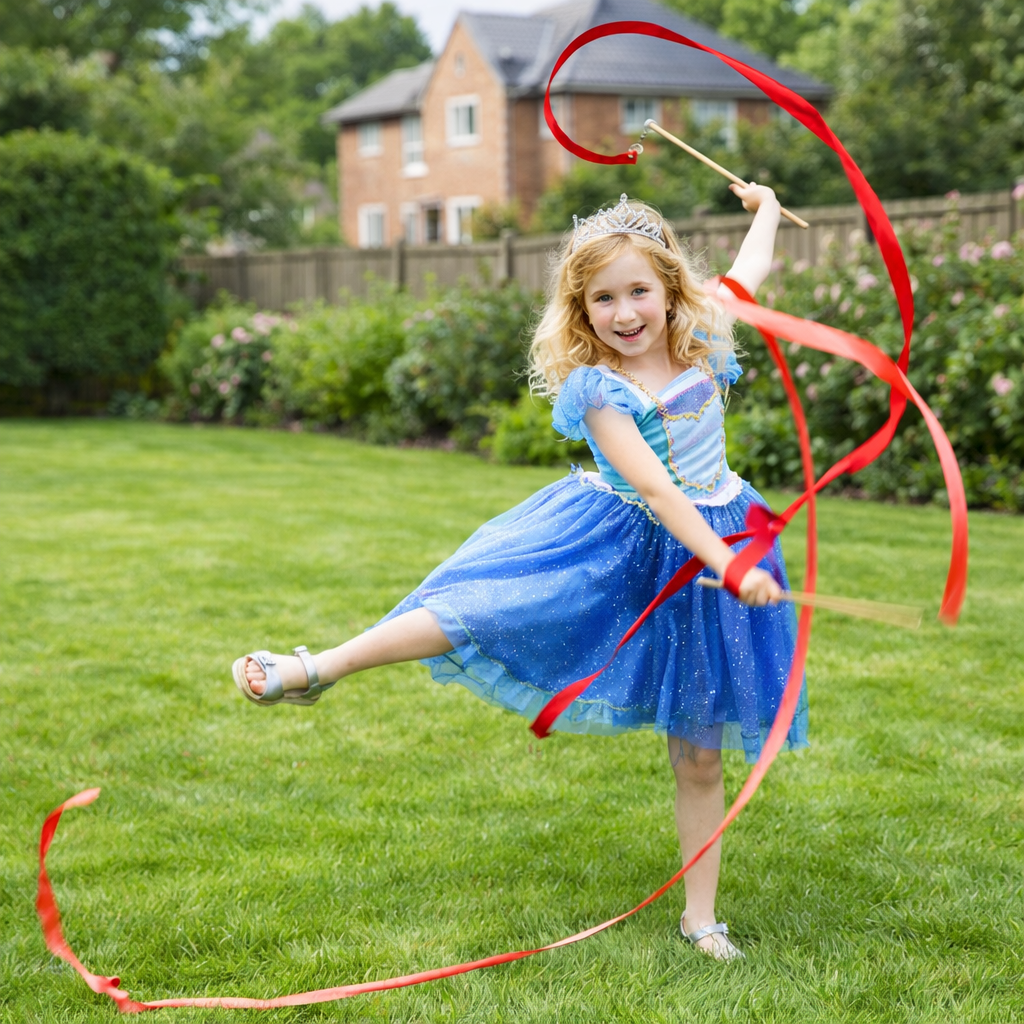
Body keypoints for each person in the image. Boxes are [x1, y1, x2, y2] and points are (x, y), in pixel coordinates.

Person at [232, 183, 808, 961]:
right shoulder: (600, 390)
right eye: (603, 298)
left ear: (673, 292)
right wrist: (729, 563)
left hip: (723, 537)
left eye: (640, 290)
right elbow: (659, 490)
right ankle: (320, 665)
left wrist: (767, 208)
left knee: (699, 753)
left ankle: (700, 919)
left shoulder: (707, 335)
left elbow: (750, 271)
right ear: (582, 312)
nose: (625, 312)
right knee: (485, 608)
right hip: (621, 539)